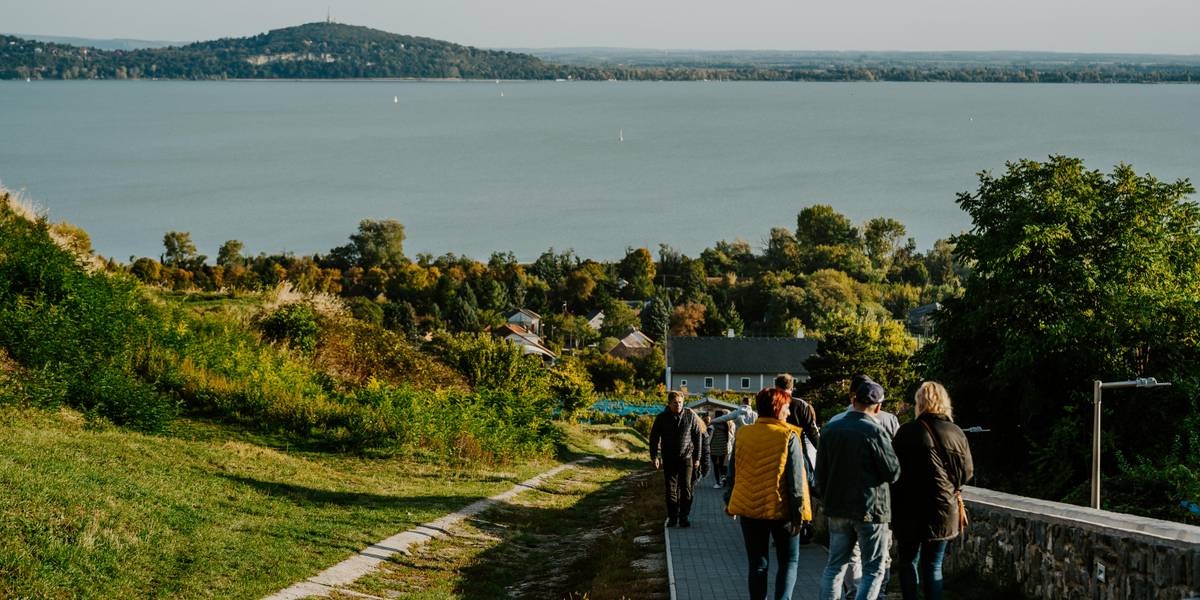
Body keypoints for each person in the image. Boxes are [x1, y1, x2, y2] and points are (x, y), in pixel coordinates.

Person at [815, 379, 901, 600]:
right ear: (879, 407)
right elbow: (893, 472)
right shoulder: (875, 430)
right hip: (870, 507)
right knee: (873, 568)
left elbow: (820, 474)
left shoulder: (830, 429)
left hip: (837, 507)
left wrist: (826, 500)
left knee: (835, 567)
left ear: (853, 400)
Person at [724, 388, 812, 600]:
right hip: (782, 511)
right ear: (777, 408)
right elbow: (796, 481)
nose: (789, 413)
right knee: (789, 561)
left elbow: (733, 472)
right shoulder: (788, 436)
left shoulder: (743, 434)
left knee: (757, 564)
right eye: (787, 408)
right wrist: (799, 515)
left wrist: (729, 502)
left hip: (750, 510)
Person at [890, 382, 974, 600]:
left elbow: (892, 470)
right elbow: (967, 472)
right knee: (933, 565)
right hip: (942, 508)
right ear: (945, 403)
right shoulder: (956, 433)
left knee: (908, 562)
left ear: (919, 402)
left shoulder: (906, 432)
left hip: (908, 508)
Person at [649, 391, 702, 527]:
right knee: (671, 489)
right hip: (669, 457)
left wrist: (698, 458)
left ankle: (684, 517)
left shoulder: (690, 416)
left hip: (687, 457)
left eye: (680, 402)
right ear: (669, 404)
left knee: (686, 488)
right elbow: (654, 437)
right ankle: (672, 517)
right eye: (675, 403)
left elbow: (697, 437)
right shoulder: (662, 418)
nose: (678, 405)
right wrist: (654, 456)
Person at [775, 373, 820, 484]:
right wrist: (824, 451)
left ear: (776, 386)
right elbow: (812, 432)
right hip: (798, 453)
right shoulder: (801, 405)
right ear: (792, 387)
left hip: (774, 453)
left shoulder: (770, 403)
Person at [710, 409, 736, 488]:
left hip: (714, 447)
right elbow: (729, 436)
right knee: (722, 465)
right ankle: (724, 478)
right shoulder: (726, 425)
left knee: (715, 465)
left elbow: (710, 437)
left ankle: (718, 482)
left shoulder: (713, 425)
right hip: (724, 447)